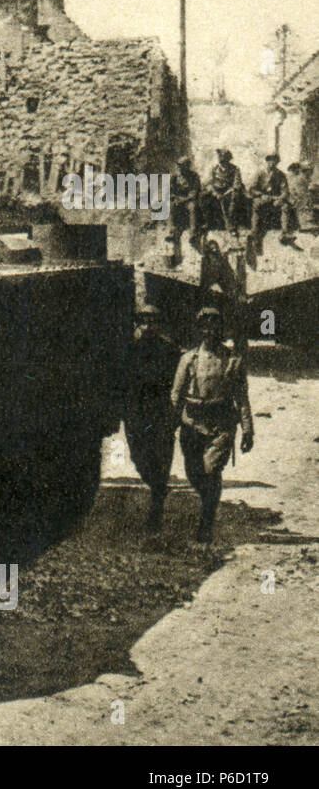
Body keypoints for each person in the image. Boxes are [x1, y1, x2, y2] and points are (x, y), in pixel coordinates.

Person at [170, 308, 253, 543]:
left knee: (211, 471)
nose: (210, 332)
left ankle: (205, 525)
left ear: (221, 331)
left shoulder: (233, 361)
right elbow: (176, 396)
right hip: (192, 423)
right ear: (199, 331)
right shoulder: (188, 359)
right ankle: (208, 504)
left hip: (221, 425)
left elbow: (242, 399)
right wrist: (169, 425)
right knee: (194, 473)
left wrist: (247, 430)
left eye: (215, 327)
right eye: (205, 327)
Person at [123, 304, 183, 532]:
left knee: (162, 459)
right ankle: (157, 485)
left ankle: (156, 506)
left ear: (159, 325)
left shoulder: (170, 351)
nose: (147, 326)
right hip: (136, 414)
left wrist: (176, 413)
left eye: (152, 322)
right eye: (143, 322)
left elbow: (180, 382)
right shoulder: (130, 349)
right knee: (139, 458)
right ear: (138, 324)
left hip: (161, 412)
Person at [248, 152, 295, 247]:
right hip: (262, 198)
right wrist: (261, 195)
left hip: (275, 199)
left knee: (285, 206)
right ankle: (254, 232)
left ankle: (284, 233)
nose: (272, 163)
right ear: (267, 161)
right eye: (270, 160)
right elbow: (252, 189)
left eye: (275, 161)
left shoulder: (280, 174)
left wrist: (280, 199)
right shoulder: (259, 173)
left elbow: (285, 191)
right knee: (256, 205)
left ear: (277, 162)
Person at [203, 148, 244, 232]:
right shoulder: (214, 169)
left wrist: (226, 194)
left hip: (229, 192)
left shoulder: (235, 169)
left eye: (224, 158)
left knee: (234, 197)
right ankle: (208, 222)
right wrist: (215, 193)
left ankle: (231, 225)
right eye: (220, 157)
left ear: (228, 159)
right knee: (204, 197)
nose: (222, 160)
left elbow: (237, 184)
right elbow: (209, 183)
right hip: (216, 192)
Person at [170, 156, 202, 248]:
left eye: (181, 165)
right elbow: (170, 191)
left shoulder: (194, 176)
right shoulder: (175, 177)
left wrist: (183, 200)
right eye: (178, 165)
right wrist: (175, 198)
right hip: (179, 200)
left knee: (193, 207)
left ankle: (193, 233)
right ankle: (172, 231)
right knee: (171, 205)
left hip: (189, 200)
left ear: (187, 166)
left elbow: (194, 192)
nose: (179, 167)